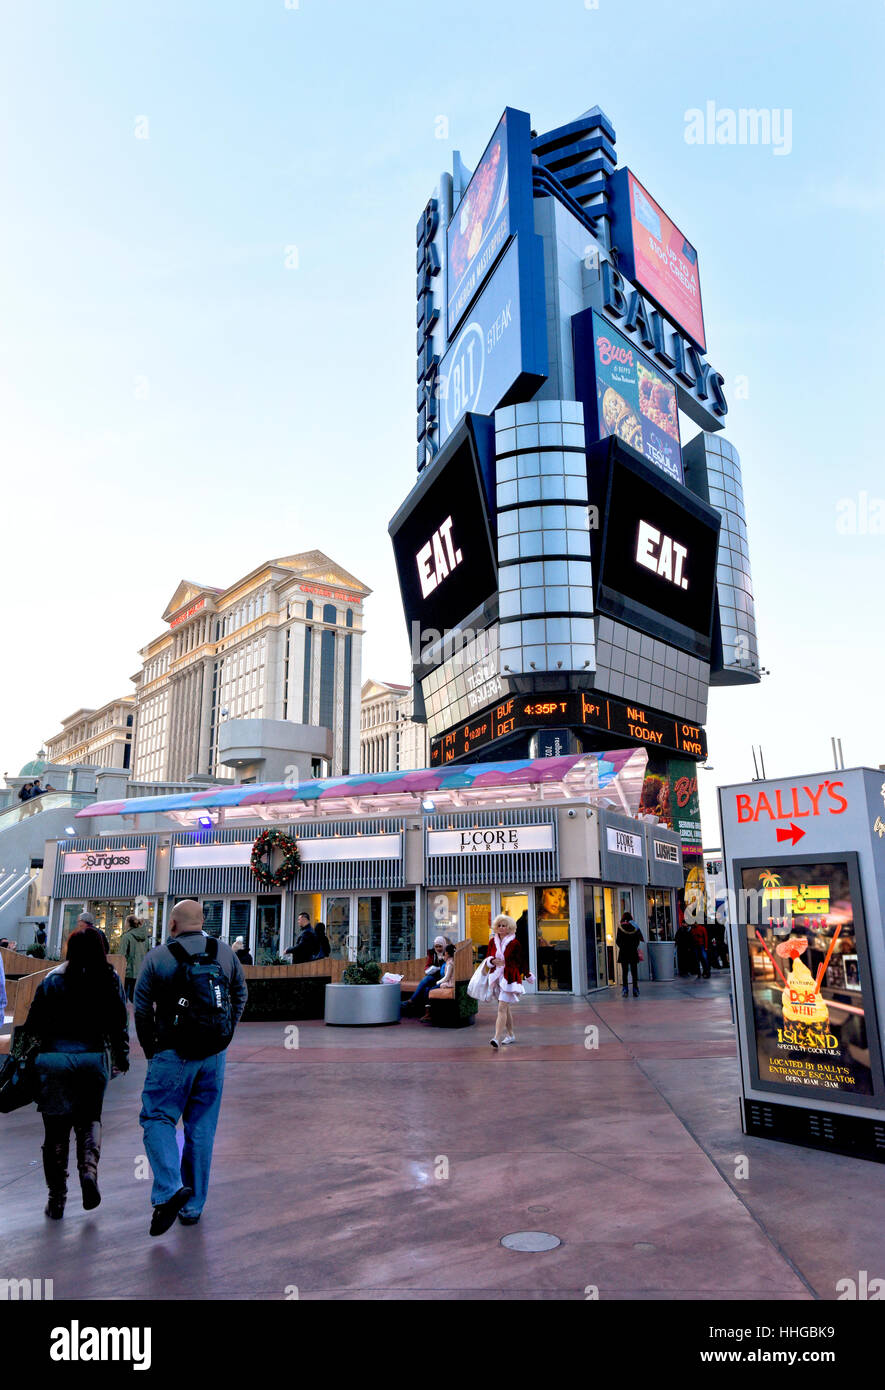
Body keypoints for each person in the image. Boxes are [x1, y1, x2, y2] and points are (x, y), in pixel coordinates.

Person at [135, 898, 247, 1235]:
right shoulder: (225, 953)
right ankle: (193, 1206)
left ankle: (169, 1189)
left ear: (173, 925)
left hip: (171, 1053)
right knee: (201, 1128)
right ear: (202, 922)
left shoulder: (157, 957)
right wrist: (225, 1034)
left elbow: (141, 1008)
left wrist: (151, 1051)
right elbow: (240, 995)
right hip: (214, 1055)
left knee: (157, 1117)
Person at [24, 925, 129, 1219]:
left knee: (55, 1131)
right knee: (88, 1120)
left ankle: (57, 1197)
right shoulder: (109, 980)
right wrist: (121, 1058)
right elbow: (119, 1023)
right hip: (91, 1060)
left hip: (54, 1061)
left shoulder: (52, 979)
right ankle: (89, 1172)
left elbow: (33, 1025)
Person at [485, 914, 532, 1048]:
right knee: (505, 1008)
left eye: (504, 925)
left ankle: (496, 1038)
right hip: (496, 977)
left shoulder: (515, 943)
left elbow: (521, 961)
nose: (501, 928)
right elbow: (488, 957)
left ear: (509, 928)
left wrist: (527, 974)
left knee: (501, 1008)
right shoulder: (492, 941)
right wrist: (492, 961)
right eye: (499, 925)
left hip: (510, 978)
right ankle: (510, 1034)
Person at [404, 936, 448, 1020]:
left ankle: (415, 1003)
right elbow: (427, 967)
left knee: (427, 988)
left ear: (444, 945)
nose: (438, 948)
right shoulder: (432, 953)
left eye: (440, 946)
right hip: (434, 976)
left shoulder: (447, 953)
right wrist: (432, 968)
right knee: (427, 980)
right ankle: (420, 1007)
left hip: (443, 978)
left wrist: (442, 962)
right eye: (436, 946)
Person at [120, 915, 150, 1001]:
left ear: (129, 924)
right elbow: (149, 952)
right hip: (141, 971)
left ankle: (127, 1013)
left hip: (128, 971)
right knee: (136, 998)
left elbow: (121, 955)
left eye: (125, 922)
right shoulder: (145, 937)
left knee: (124, 997)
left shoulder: (126, 936)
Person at [616, 912, 644, 998]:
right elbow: (638, 940)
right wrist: (633, 947)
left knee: (624, 972)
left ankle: (625, 989)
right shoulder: (635, 927)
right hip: (632, 952)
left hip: (623, 952)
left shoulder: (620, 927)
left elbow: (618, 941)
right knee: (634, 972)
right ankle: (635, 989)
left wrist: (623, 947)